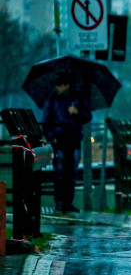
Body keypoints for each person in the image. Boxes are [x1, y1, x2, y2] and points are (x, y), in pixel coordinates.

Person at [41, 72, 92, 213]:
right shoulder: (52, 99)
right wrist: (51, 136)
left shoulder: (77, 98)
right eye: (58, 85)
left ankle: (68, 202)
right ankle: (59, 202)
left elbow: (87, 116)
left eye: (61, 85)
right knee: (59, 171)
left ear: (67, 85)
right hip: (59, 139)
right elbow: (46, 120)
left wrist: (77, 112)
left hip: (73, 139)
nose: (59, 88)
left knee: (71, 172)